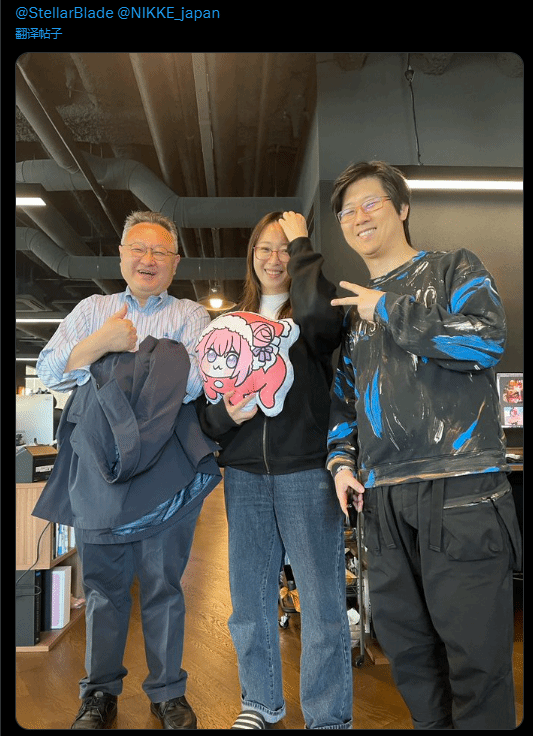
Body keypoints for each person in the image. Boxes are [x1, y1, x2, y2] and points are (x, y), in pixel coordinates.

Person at [326, 161, 522, 730]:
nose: (359, 217)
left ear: (403, 208)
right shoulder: (354, 314)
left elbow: (486, 340)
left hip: (459, 487)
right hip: (383, 501)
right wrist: (340, 464)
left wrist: (388, 308)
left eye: (371, 203)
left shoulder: (452, 268)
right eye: (347, 211)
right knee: (410, 659)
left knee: (476, 658)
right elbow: (344, 402)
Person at [33, 211, 221, 730]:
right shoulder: (93, 310)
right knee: (102, 588)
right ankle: (99, 693)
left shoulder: (191, 316)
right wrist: (104, 343)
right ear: (121, 257)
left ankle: (168, 693)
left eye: (160, 251)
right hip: (99, 470)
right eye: (139, 249)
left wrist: (111, 368)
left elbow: (201, 382)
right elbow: (50, 371)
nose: (148, 259)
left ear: (175, 263)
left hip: (167, 471)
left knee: (164, 585)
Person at [197, 211, 353, 730]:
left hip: (307, 471)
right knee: (249, 602)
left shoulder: (309, 314)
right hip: (244, 476)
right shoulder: (227, 324)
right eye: (265, 248)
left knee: (323, 603)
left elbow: (326, 325)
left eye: (285, 248)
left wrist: (305, 243)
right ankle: (260, 704)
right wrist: (226, 416)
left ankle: (328, 718)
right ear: (251, 256)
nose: (275, 258)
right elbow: (206, 412)